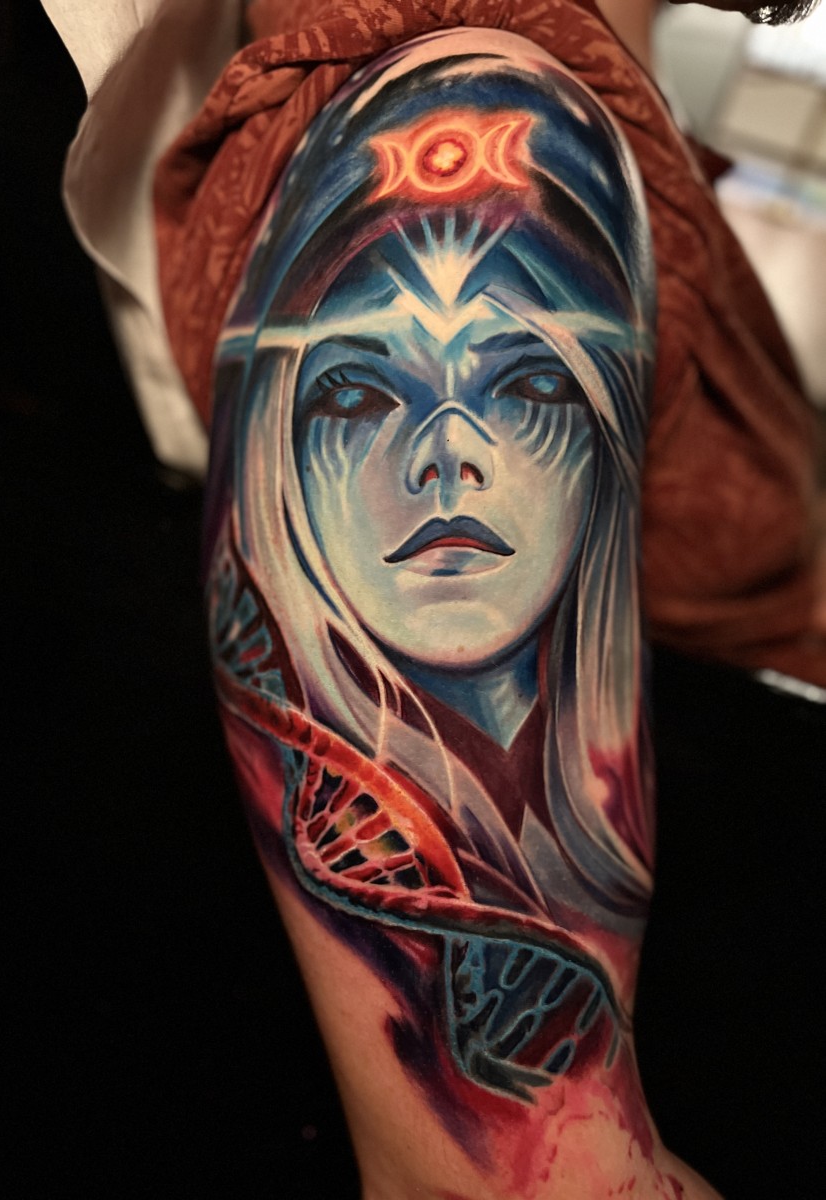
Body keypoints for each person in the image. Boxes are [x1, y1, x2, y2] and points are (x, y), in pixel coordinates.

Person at [43, 1, 825, 1196]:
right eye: (361, 394)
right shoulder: (481, 112)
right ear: (284, 467)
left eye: (525, 385)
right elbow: (504, 1181)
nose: (449, 453)